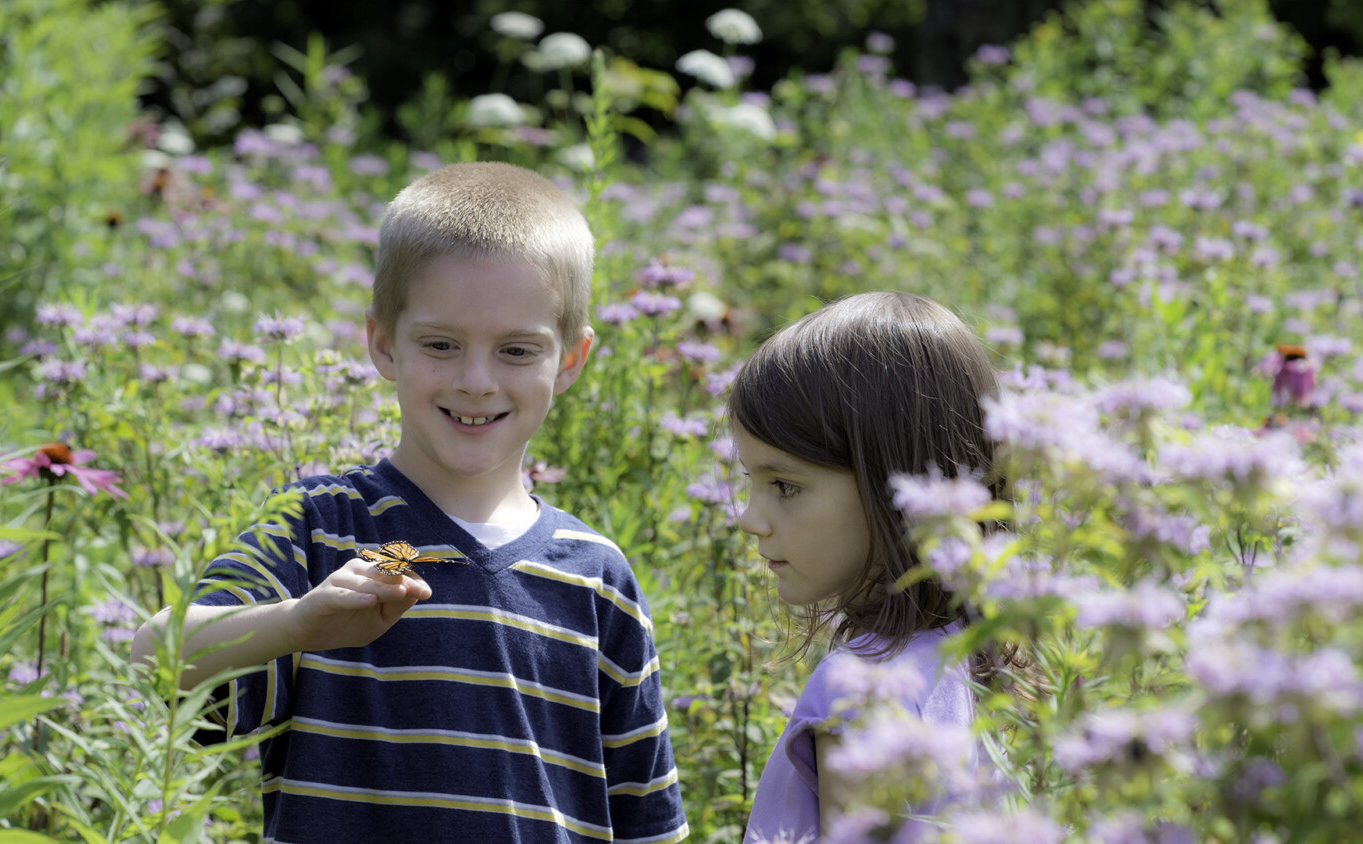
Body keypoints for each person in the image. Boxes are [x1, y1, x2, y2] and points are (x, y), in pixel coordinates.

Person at [131, 162, 688, 843]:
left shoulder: (598, 576)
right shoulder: (319, 526)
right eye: (441, 344)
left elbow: (648, 823)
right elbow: (155, 657)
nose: (477, 380)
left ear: (570, 360)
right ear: (381, 342)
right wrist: (299, 623)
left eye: (517, 350)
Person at [730, 291, 1014, 841]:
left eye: (785, 486)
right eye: (752, 482)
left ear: (897, 488)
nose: (750, 520)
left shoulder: (858, 690)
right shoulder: (981, 654)